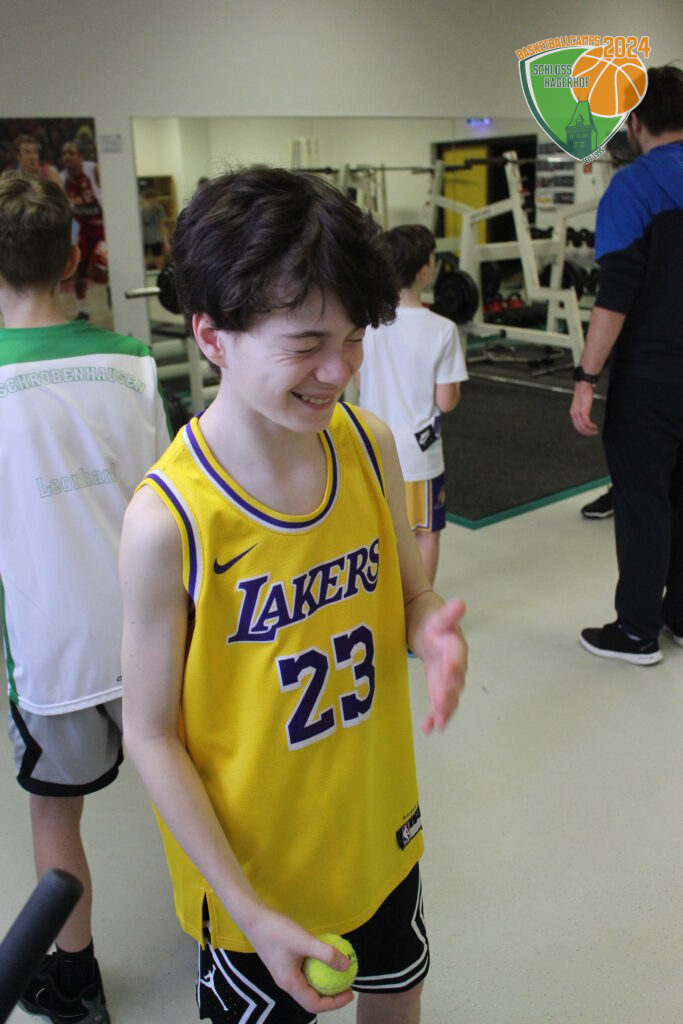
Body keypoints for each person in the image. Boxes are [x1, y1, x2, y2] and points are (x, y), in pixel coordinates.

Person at [119, 167, 468, 1024]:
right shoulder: (169, 521)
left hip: (379, 835)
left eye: (353, 338)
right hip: (254, 883)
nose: (337, 370)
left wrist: (431, 630)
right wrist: (246, 911)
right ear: (213, 336)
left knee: (397, 998)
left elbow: (410, 596)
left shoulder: (368, 444)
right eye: (305, 342)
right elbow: (150, 734)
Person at [0, 171, 171, 1023]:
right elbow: (170, 494)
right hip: (156, 628)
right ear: (73, 259)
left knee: (53, 814)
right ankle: (238, 942)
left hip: (55, 649)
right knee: (191, 785)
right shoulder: (133, 360)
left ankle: (76, 981)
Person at [570, 65, 683, 665]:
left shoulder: (633, 188)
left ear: (636, 121)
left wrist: (585, 378)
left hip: (652, 380)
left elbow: (614, 296)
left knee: (643, 501)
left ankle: (637, 632)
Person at [357, 225, 467, 585]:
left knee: (381, 533)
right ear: (424, 271)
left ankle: (385, 606)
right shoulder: (443, 330)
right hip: (420, 456)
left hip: (374, 450)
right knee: (425, 532)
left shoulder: (369, 325)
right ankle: (420, 605)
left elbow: (359, 384)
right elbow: (446, 402)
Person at [60, 140, 108, 320]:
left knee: (94, 271)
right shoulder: (62, 178)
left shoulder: (93, 170)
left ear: (80, 156)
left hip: (101, 229)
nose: (67, 157)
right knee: (79, 270)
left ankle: (112, 291)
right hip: (83, 231)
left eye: (71, 153)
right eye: (64, 153)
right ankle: (82, 310)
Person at [140, 186, 171, 270]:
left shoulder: (159, 209)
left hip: (156, 238)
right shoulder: (141, 211)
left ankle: (160, 273)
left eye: (153, 201)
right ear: (143, 200)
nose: (151, 203)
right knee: (143, 259)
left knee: (159, 258)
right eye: (148, 201)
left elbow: (162, 225)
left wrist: (166, 242)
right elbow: (140, 227)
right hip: (144, 238)